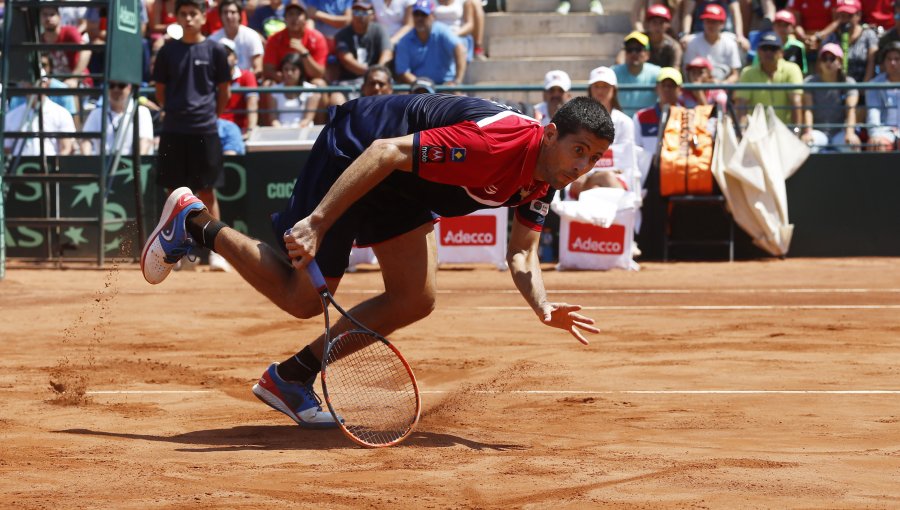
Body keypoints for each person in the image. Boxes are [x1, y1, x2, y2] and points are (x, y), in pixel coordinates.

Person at [140, 93, 614, 427]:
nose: (581, 166)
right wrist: (319, 222)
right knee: (301, 298)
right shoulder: (494, 146)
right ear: (550, 135)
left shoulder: (547, 176)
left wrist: (543, 306)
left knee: (415, 297)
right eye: (578, 151)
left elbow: (521, 255)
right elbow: (384, 151)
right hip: (358, 149)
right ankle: (194, 221)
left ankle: (290, 378)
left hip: (404, 183)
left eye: (592, 158)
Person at [153, 0, 232, 272]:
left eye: (193, 14)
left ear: (202, 17)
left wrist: (209, 116)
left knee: (208, 193)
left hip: (204, 130)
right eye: (183, 14)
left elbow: (224, 92)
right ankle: (173, 252)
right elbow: (160, 91)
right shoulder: (167, 52)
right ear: (177, 17)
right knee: (173, 194)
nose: (188, 19)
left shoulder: (216, 50)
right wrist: (174, 112)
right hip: (174, 130)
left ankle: (216, 253)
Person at [569, 66, 637, 196]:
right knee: (602, 182)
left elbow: (625, 159)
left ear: (614, 90)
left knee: (600, 185)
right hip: (582, 178)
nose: (600, 91)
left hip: (611, 178)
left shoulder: (625, 122)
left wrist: (593, 171)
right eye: (596, 86)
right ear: (590, 89)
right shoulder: (578, 120)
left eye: (605, 86)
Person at [734, 31, 804, 126]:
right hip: (757, 132)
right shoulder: (747, 72)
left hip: (785, 131)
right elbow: (742, 104)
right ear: (758, 51)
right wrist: (742, 132)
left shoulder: (792, 69)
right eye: (765, 48)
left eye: (773, 49)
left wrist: (796, 131)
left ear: (781, 52)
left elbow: (796, 101)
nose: (768, 52)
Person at [800, 44, 861, 152]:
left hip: (840, 133)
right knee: (806, 146)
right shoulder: (810, 81)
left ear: (840, 62)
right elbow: (808, 110)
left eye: (832, 58)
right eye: (824, 59)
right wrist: (808, 132)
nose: (828, 62)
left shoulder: (849, 82)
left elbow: (851, 110)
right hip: (817, 132)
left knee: (853, 146)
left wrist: (850, 133)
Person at [393, 0, 466, 86]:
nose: (419, 18)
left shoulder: (442, 31)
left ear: (433, 16)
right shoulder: (404, 41)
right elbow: (403, 72)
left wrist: (457, 81)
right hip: (418, 88)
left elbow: (459, 49)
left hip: (445, 86)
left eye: (424, 14)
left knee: (458, 95)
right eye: (416, 14)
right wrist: (422, 85)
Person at [3, 74, 76, 157]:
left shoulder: (62, 114)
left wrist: (54, 166)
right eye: (30, 83)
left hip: (51, 165)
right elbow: (6, 150)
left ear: (46, 84)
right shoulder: (11, 116)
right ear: (23, 85)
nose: (35, 86)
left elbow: (66, 148)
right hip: (18, 167)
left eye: (40, 82)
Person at [80, 81, 155, 156]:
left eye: (121, 85)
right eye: (111, 86)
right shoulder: (96, 113)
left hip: (131, 164)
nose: (116, 89)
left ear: (130, 88)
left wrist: (138, 166)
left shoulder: (141, 112)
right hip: (103, 164)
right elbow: (86, 141)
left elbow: (145, 141)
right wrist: (88, 164)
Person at [262, 3, 329, 83]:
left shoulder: (317, 38)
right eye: (290, 14)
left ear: (305, 19)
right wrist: (287, 79)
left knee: (319, 83)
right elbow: (268, 70)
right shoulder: (275, 39)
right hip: (282, 81)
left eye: (298, 14)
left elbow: (319, 74)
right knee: (267, 84)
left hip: (308, 81)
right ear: (285, 18)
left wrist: (304, 54)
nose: (294, 18)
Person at [633, 67, 684, 172]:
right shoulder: (640, 116)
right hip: (649, 173)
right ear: (657, 88)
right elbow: (635, 149)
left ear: (680, 89)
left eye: (671, 86)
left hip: (678, 171)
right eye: (663, 85)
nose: (666, 89)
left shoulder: (688, 116)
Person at [333, 1, 393, 83]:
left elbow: (387, 53)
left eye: (364, 13)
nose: (360, 16)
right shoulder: (342, 34)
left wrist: (377, 72)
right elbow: (346, 59)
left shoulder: (380, 30)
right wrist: (370, 73)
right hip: (349, 81)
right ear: (352, 15)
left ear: (372, 15)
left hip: (377, 80)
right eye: (356, 12)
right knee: (336, 96)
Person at [682, 3, 742, 84]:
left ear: (722, 24)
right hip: (698, 87)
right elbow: (688, 73)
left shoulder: (730, 43)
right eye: (707, 21)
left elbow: (735, 75)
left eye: (714, 22)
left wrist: (721, 84)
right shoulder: (693, 42)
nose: (710, 25)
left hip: (723, 89)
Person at [821, 0, 879, 83]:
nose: (845, 19)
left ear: (859, 15)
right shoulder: (832, 37)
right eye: (841, 15)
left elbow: (872, 62)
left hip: (862, 86)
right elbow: (821, 64)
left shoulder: (868, 35)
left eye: (849, 16)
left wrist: (864, 88)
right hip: (837, 88)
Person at [209, 0, 265, 77]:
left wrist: (245, 80)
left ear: (240, 15)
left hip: (247, 84)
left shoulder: (252, 36)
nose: (229, 16)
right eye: (225, 12)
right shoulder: (213, 40)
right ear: (220, 16)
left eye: (233, 12)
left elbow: (258, 68)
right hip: (221, 83)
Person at [40, 6, 91, 89]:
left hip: (80, 83)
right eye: (44, 14)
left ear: (60, 17)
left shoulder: (69, 32)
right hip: (54, 85)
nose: (48, 18)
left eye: (52, 14)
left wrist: (74, 78)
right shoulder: (40, 40)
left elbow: (86, 51)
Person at [612, 31, 662, 115]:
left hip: (647, 125)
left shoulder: (658, 73)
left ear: (647, 54)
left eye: (638, 49)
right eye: (629, 49)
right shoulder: (613, 72)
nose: (633, 53)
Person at [269, 52, 321, 127]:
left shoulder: (311, 89)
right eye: (286, 69)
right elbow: (273, 119)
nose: (289, 73)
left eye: (293, 69)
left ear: (300, 71)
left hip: (303, 131)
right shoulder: (274, 90)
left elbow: (308, 119)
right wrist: (280, 130)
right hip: (280, 131)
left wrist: (295, 131)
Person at [865, 41, 900, 151]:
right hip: (884, 131)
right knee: (876, 145)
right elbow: (873, 113)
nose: (893, 63)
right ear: (884, 62)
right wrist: (875, 135)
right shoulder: (874, 84)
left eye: (897, 59)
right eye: (889, 59)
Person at [220, 38, 260, 134]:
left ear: (236, 58)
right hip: (215, 128)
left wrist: (250, 130)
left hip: (239, 130)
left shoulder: (247, 76)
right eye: (219, 55)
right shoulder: (208, 77)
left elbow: (252, 103)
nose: (223, 58)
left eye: (227, 54)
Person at [682, 0, 748, 51]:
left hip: (725, 32)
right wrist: (685, 34)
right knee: (687, 43)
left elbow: (736, 13)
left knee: (739, 44)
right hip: (700, 32)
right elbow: (688, 13)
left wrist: (740, 35)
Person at [769, 9, 808, 75]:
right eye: (779, 25)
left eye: (786, 25)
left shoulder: (798, 47)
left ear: (792, 27)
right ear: (773, 26)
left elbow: (802, 71)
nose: (782, 28)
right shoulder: (765, 45)